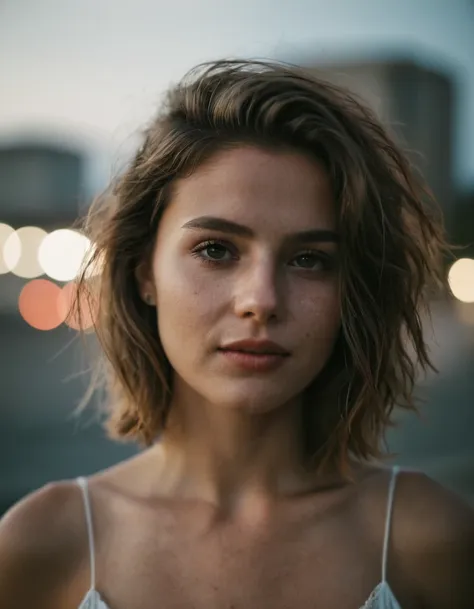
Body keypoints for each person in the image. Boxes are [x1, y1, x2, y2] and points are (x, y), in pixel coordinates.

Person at [0, 59, 473, 609]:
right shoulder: (43, 545)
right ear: (144, 271)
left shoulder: (431, 541)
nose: (262, 301)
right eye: (216, 250)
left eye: (309, 259)